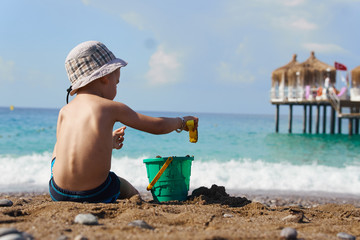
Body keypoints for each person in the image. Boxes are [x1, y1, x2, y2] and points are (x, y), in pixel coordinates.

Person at [49, 41, 198, 203]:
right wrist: (181, 122)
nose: (116, 87)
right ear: (105, 77)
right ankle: (136, 198)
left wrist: (105, 142)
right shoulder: (111, 108)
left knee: (59, 147)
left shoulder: (64, 111)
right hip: (95, 193)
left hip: (57, 192)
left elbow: (67, 147)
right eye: (117, 83)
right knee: (122, 185)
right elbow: (157, 126)